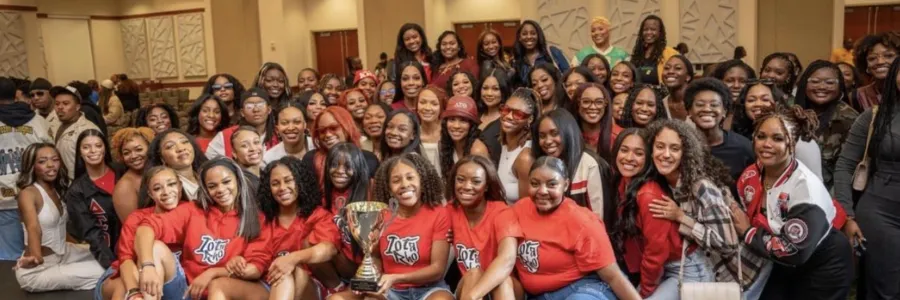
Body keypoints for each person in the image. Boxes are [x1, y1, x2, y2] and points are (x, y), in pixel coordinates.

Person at [732, 106, 853, 300]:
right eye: (761, 136)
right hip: (779, 261)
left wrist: (748, 232)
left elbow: (793, 250)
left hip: (822, 263)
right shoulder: (752, 173)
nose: (766, 144)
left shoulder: (806, 191)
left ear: (793, 142)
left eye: (777, 138)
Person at [133, 158, 271, 300]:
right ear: (205, 189)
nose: (220, 190)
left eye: (226, 182)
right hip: (188, 290)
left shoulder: (256, 218)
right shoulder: (193, 210)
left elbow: (254, 270)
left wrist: (213, 273)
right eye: (212, 186)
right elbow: (146, 227)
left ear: (238, 181)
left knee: (218, 285)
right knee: (155, 248)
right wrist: (147, 266)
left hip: (226, 290)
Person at [511, 156, 640, 299]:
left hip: (581, 289)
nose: (542, 191)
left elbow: (613, 277)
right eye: (535, 184)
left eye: (552, 184)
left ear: (565, 185)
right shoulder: (519, 209)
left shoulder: (582, 221)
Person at [330, 152, 454, 300]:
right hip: (390, 291)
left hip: (429, 289)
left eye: (410, 178)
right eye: (396, 181)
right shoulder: (381, 216)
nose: (404, 184)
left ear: (422, 181)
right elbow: (375, 256)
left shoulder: (439, 214)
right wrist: (369, 278)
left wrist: (396, 278)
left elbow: (437, 270)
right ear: (389, 189)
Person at [641, 120, 741, 297]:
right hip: (675, 265)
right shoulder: (663, 179)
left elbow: (728, 245)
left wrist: (681, 217)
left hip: (707, 270)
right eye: (660, 146)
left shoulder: (702, 188)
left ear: (686, 153)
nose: (665, 154)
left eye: (674, 148)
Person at [835, 57, 900, 299]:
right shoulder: (874, 116)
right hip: (881, 212)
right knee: (886, 290)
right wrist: (847, 216)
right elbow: (844, 166)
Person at [15, 143, 105, 292]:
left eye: (55, 159)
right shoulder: (28, 194)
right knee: (106, 269)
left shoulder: (56, 189)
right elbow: (33, 228)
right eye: (42, 161)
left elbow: (59, 227)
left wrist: (82, 246)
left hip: (63, 254)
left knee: (108, 254)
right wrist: (36, 257)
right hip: (38, 270)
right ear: (32, 166)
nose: (51, 165)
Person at [96, 166, 186, 300]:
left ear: (180, 186)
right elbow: (125, 259)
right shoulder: (137, 217)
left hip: (172, 281)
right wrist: (134, 292)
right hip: (128, 273)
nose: (166, 192)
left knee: (156, 247)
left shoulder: (191, 210)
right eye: (157, 188)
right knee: (124, 287)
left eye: (172, 184)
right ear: (150, 194)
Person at [259, 156, 340, 300]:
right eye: (275, 183)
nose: (282, 188)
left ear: (300, 181)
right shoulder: (264, 220)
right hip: (268, 285)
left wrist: (292, 259)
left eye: (288, 180)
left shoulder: (317, 215)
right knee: (222, 285)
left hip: (308, 286)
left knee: (286, 272)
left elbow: (329, 249)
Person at [447, 156, 524, 299]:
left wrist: (472, 296)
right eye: (460, 180)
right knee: (474, 273)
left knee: (502, 281)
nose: (466, 186)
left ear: (486, 186)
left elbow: (507, 259)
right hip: (469, 282)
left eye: (476, 181)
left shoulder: (502, 212)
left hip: (506, 287)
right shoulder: (450, 211)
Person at [307, 143, 371, 293]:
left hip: (361, 265)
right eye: (334, 165)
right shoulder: (325, 195)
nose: (340, 171)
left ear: (358, 168)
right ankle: (336, 288)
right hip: (338, 262)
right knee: (310, 241)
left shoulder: (369, 192)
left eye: (348, 166)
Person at [732, 80, 824, 179]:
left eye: (765, 99)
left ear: (777, 103)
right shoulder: (742, 136)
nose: (758, 104)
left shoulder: (799, 138)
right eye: (751, 100)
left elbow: (813, 181)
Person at [533, 109, 612, 222]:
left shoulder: (590, 164)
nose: (548, 141)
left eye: (555, 133)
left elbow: (598, 218)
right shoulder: (542, 166)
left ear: (568, 132)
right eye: (542, 136)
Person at [794, 60, 859, 189]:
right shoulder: (791, 112)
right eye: (815, 81)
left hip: (829, 189)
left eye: (829, 83)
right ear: (804, 84)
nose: (822, 87)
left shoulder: (849, 118)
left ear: (840, 86)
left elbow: (848, 167)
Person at [65, 129, 123, 269]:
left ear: (105, 148)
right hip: (110, 255)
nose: (93, 151)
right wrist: (111, 266)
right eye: (86, 147)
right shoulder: (76, 191)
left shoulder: (122, 171)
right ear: (80, 152)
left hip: (137, 246)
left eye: (98, 145)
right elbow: (92, 234)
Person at [685, 78, 754, 190]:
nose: (707, 109)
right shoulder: (681, 146)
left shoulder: (744, 148)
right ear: (689, 111)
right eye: (700, 104)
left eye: (714, 105)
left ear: (724, 111)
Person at [304, 106, 380, 184]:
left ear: (347, 127)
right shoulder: (310, 159)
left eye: (333, 128)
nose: (328, 134)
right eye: (322, 131)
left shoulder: (368, 159)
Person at [609, 128, 647, 285]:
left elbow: (655, 253)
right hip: (627, 265)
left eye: (638, 153)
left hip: (649, 274)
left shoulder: (647, 194)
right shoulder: (620, 182)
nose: (629, 158)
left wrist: (643, 291)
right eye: (624, 150)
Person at [205, 88, 278, 160]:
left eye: (260, 105)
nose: (256, 110)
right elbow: (209, 163)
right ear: (242, 112)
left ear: (269, 109)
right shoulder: (225, 136)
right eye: (249, 106)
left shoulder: (279, 134)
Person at [495, 88, 540, 204]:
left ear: (530, 119)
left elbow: (526, 208)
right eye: (506, 110)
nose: (509, 116)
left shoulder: (525, 158)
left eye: (518, 114)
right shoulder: (504, 144)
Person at [51, 85, 101, 180]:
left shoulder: (88, 131)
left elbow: (97, 167)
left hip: (79, 184)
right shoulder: (54, 124)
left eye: (65, 103)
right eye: (57, 104)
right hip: (60, 182)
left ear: (77, 107)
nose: (60, 107)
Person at [146, 129, 208, 201]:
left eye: (184, 142)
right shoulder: (165, 188)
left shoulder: (205, 174)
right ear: (162, 158)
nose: (181, 148)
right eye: (170, 146)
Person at [110, 127, 155, 222]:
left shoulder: (159, 171)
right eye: (126, 153)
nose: (133, 156)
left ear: (150, 148)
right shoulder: (124, 188)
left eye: (138, 149)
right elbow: (133, 227)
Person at [439, 95, 489, 178]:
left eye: (463, 121)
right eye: (452, 119)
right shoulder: (445, 144)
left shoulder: (477, 150)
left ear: (471, 125)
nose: (456, 126)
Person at [512, 20, 570, 86]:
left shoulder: (552, 52)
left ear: (538, 36)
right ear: (519, 38)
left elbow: (568, 77)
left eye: (533, 33)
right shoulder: (517, 62)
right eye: (524, 34)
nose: (529, 36)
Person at [852, 32, 900, 112]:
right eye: (872, 58)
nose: (880, 62)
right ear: (866, 65)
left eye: (889, 56)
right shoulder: (858, 96)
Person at [630, 15, 678, 86]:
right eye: (645, 29)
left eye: (653, 29)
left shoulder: (670, 53)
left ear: (660, 32)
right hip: (637, 92)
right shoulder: (638, 53)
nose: (649, 32)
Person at [711, 59, 758, 129]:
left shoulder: (755, 113)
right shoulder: (710, 110)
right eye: (729, 81)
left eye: (742, 81)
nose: (736, 86)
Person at [572, 83, 615, 158]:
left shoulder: (618, 135)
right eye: (586, 102)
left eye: (599, 102)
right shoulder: (568, 135)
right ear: (578, 103)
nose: (593, 107)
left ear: (605, 104)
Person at [417, 86, 448, 174]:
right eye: (422, 102)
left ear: (441, 108)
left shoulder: (449, 133)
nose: (427, 108)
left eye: (434, 104)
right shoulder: (412, 134)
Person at [229, 126, 264, 192]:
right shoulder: (236, 182)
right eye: (244, 145)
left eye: (256, 142)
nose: (253, 148)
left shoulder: (268, 175)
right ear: (234, 153)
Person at [661, 55, 694, 121]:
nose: (670, 71)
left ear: (688, 77)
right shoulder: (661, 104)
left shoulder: (698, 102)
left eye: (678, 68)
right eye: (667, 68)